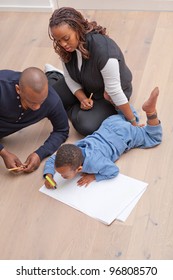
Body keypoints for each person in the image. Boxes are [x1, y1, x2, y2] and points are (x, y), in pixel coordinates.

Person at [43, 87, 162, 188]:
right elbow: (53, 160)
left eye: (64, 176)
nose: (62, 177)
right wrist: (49, 175)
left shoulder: (94, 164)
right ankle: (115, 101)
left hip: (123, 135)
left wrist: (94, 176)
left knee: (152, 138)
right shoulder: (73, 149)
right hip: (110, 123)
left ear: (79, 169)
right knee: (130, 118)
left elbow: (113, 171)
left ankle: (151, 112)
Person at [45, 7, 138, 136]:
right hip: (84, 84)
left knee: (85, 125)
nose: (63, 44)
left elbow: (114, 91)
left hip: (107, 95)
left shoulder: (103, 51)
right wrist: (82, 98)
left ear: (77, 28)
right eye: (58, 40)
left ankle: (66, 106)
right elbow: (69, 78)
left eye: (66, 38)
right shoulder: (67, 48)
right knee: (47, 99)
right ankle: (58, 85)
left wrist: (133, 122)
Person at [0, 67, 69, 173]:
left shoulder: (51, 99)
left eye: (41, 101)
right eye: (32, 102)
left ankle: (54, 76)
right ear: (18, 90)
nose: (37, 107)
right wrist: (3, 152)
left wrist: (40, 154)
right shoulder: (2, 87)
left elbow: (62, 130)